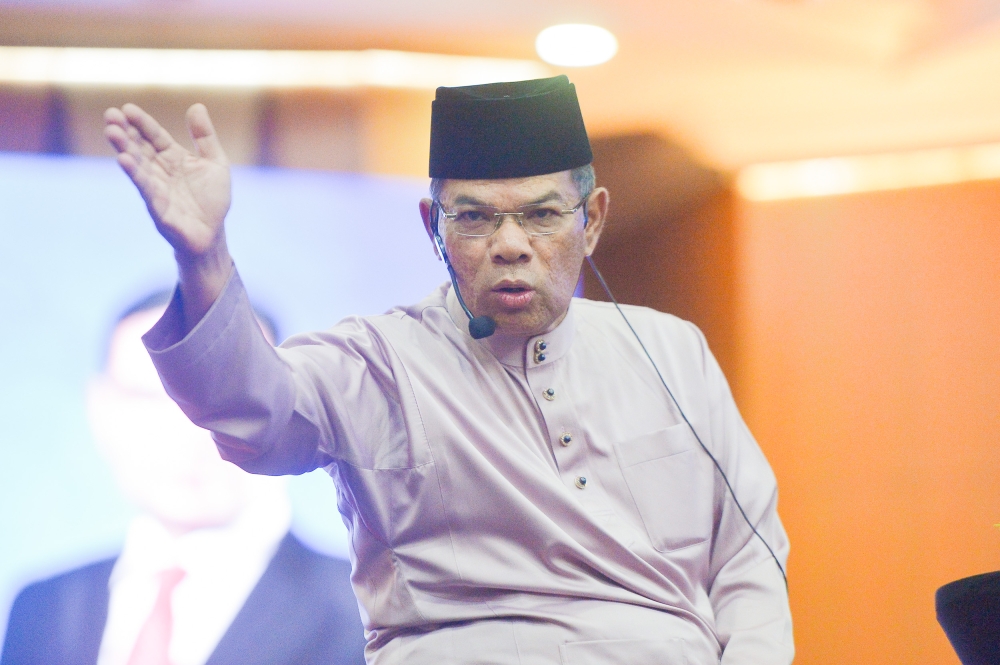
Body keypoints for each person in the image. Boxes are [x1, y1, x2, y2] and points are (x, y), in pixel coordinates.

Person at [101, 75, 793, 664]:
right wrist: (205, 260)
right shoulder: (378, 363)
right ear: (432, 225)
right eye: (476, 218)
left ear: (594, 219)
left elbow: (748, 555)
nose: (511, 244)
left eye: (542, 214)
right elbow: (253, 410)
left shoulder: (672, 352)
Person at [1, 292, 367, 665]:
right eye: (147, 397)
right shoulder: (41, 609)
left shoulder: (370, 618)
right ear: (100, 408)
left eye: (224, 400)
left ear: (289, 411)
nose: (188, 431)